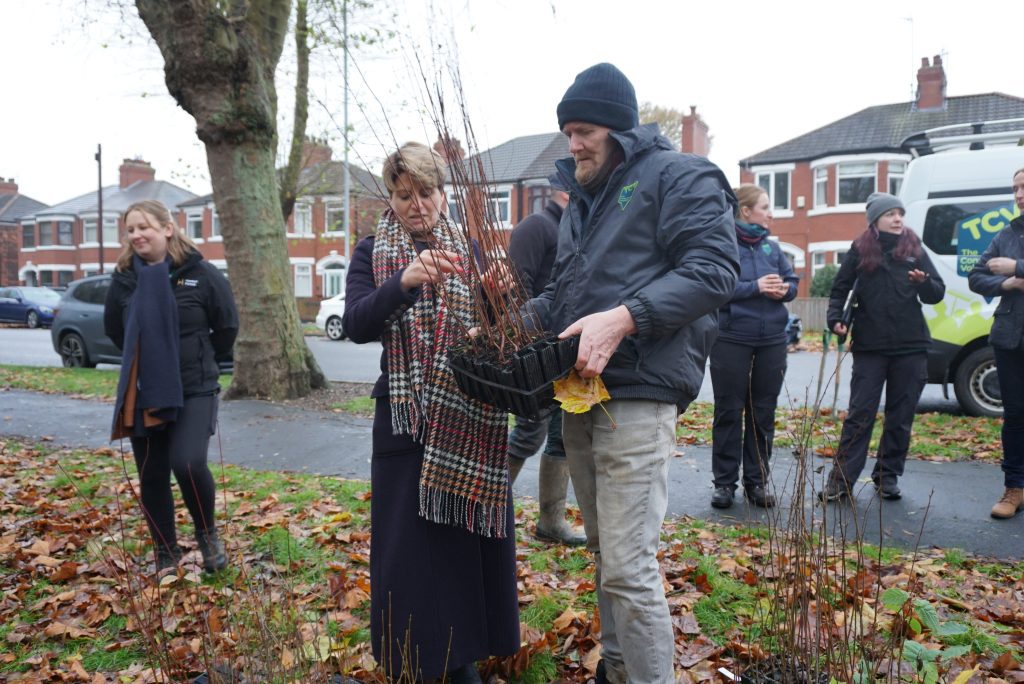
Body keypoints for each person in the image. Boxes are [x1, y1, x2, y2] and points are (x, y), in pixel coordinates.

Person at [527, 63, 739, 684]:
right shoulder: (583, 202)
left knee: (628, 563)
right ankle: (616, 670)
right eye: (567, 131)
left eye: (585, 129)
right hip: (583, 393)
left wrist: (625, 318)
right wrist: (505, 320)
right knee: (606, 554)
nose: (574, 144)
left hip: (639, 394)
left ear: (619, 127)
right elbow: (564, 299)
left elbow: (712, 270)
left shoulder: (678, 176)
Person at [341, 142, 519, 684]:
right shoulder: (373, 251)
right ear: (390, 198)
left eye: (426, 192)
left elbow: (488, 335)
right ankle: (419, 661)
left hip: (468, 416)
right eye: (403, 194)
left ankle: (464, 657)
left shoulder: (470, 247)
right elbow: (356, 323)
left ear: (444, 194)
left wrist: (494, 300)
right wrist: (404, 282)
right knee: (412, 554)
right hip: (404, 419)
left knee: (464, 543)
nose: (416, 204)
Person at [104, 199, 238, 573]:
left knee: (188, 462)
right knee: (152, 471)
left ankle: (207, 533)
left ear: (167, 228)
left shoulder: (201, 274)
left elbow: (226, 325)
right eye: (130, 230)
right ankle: (165, 550)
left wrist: (196, 357)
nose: (136, 235)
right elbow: (115, 330)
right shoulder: (124, 278)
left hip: (195, 386)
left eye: (143, 226)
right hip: (144, 389)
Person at [821, 192, 945, 502]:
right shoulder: (860, 249)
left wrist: (923, 282)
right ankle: (841, 481)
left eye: (900, 213)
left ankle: (887, 476)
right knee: (860, 414)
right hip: (870, 346)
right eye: (890, 214)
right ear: (876, 219)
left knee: (900, 416)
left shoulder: (914, 247)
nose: (898, 218)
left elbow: (936, 292)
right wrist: (836, 318)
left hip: (911, 345)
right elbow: (840, 289)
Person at [506, 174, 585, 546]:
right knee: (528, 432)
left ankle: (550, 522)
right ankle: (484, 507)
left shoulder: (581, 228)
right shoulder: (537, 227)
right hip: (536, 355)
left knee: (562, 435)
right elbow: (514, 290)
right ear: (566, 190)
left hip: (570, 352)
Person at [709, 185, 798, 510]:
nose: (770, 213)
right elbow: (714, 286)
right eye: (765, 206)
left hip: (772, 339)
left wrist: (785, 289)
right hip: (731, 338)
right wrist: (755, 287)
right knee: (729, 410)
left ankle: (757, 483)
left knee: (763, 413)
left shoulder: (772, 249)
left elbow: (792, 282)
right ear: (745, 211)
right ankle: (724, 484)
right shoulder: (722, 245)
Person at [968, 167, 1024, 519]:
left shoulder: (1010, 251)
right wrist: (1005, 285)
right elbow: (976, 275)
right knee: (1015, 416)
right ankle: (1014, 488)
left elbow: (1012, 267)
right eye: (1016, 188)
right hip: (1010, 338)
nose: (1019, 195)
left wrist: (1018, 266)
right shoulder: (1005, 233)